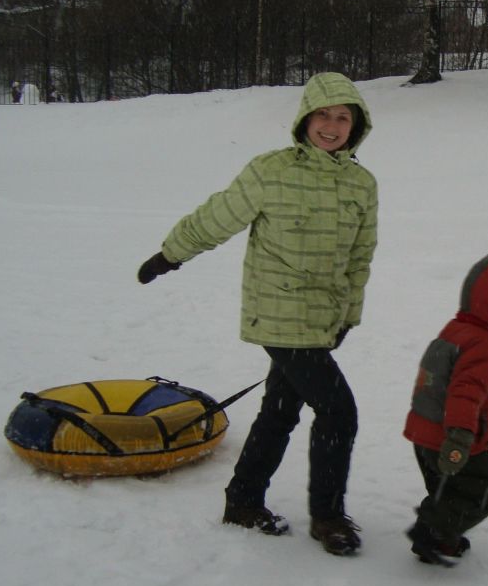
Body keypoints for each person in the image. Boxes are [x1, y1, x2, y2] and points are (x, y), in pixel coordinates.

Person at [137, 72, 378, 556]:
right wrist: (171, 254)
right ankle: (327, 516)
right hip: (277, 310)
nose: (331, 126)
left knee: (280, 410)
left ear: (356, 126)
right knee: (338, 411)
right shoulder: (271, 171)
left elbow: (360, 256)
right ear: (305, 119)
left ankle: (243, 501)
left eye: (342, 117)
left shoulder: (361, 184)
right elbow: (219, 215)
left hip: (321, 318)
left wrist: (347, 316)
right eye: (323, 115)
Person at [403, 254, 488, 566]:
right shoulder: (487, 346)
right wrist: (460, 436)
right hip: (455, 438)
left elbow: (461, 385)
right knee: (487, 489)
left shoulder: (459, 329)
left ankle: (440, 536)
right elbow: (465, 394)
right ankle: (432, 533)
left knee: (449, 490)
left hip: (428, 433)